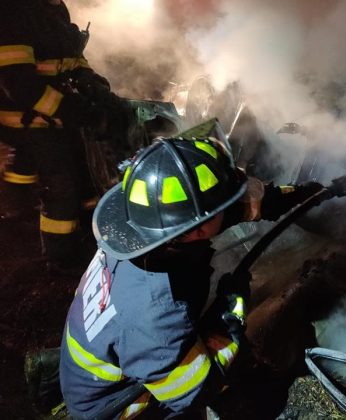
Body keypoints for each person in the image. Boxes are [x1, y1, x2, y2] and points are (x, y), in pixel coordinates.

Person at [58, 132, 322, 418]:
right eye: (223, 206)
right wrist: (230, 313)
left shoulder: (139, 228)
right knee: (256, 393)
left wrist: (302, 194)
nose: (237, 205)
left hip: (120, 354)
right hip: (122, 408)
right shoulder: (157, 316)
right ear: (197, 229)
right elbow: (201, 389)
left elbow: (225, 211)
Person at [0, 0, 127, 271]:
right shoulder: (12, 11)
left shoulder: (55, 7)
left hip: (57, 115)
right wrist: (72, 110)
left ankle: (90, 233)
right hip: (27, 117)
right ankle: (61, 256)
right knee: (61, 187)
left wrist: (94, 84)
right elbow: (20, 85)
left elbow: (72, 57)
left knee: (85, 176)